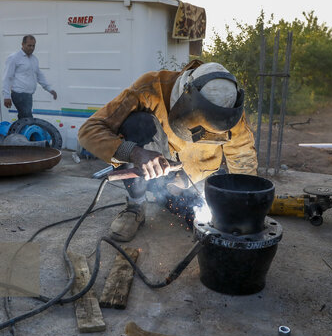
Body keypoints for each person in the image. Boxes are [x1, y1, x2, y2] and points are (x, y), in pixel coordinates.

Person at [78, 60, 258, 241]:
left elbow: (242, 155)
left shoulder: (228, 105)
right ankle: (136, 205)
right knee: (137, 122)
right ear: (184, 95)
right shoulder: (151, 88)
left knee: (210, 226)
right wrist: (135, 153)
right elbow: (89, 130)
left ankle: (168, 197)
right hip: (158, 170)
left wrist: (245, 204)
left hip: (197, 180)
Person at [2, 35, 57, 120]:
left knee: (24, 118)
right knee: (28, 118)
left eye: (33, 46)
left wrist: (49, 89)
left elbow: (39, 75)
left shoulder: (34, 59)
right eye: (29, 45)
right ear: (22, 44)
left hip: (28, 95)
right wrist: (6, 96)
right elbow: (7, 77)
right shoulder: (14, 58)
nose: (31, 48)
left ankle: (20, 133)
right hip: (19, 94)